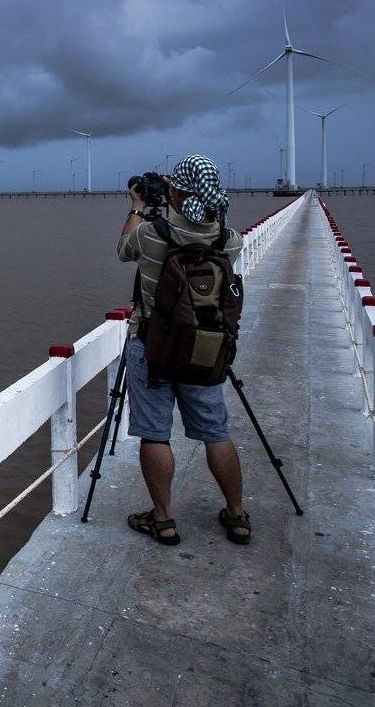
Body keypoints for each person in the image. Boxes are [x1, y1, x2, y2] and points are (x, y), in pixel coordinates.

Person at [116, 154, 250, 546]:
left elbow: (124, 249)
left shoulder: (152, 233)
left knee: (155, 434)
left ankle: (163, 519)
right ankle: (237, 514)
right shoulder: (229, 239)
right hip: (204, 349)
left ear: (175, 190)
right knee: (216, 432)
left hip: (152, 347)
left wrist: (139, 207)